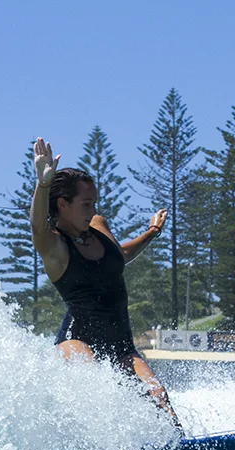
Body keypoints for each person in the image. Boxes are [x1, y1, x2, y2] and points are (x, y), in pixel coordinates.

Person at [29, 137, 180, 429]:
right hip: (77, 340)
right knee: (97, 384)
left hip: (120, 343)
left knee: (160, 399)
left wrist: (151, 232)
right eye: (86, 204)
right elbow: (37, 226)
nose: (92, 209)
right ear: (63, 204)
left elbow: (119, 256)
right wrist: (42, 184)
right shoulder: (56, 248)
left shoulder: (98, 226)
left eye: (94, 202)